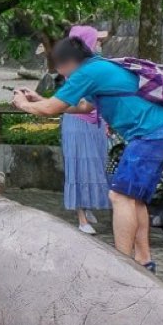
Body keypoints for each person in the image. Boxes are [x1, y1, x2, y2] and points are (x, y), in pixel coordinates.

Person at [11, 38, 163, 273]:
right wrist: (40, 100)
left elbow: (51, 110)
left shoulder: (88, 72)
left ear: (68, 62)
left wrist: (22, 104)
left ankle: (123, 266)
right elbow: (84, 107)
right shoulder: (100, 67)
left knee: (119, 197)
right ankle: (143, 262)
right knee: (135, 199)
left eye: (60, 68)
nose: (61, 75)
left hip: (151, 134)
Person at [60, 26, 111, 234]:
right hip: (78, 122)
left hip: (96, 121)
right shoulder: (74, 68)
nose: (100, 44)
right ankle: (81, 218)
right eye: (97, 40)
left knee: (97, 163)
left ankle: (88, 207)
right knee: (79, 166)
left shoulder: (94, 66)